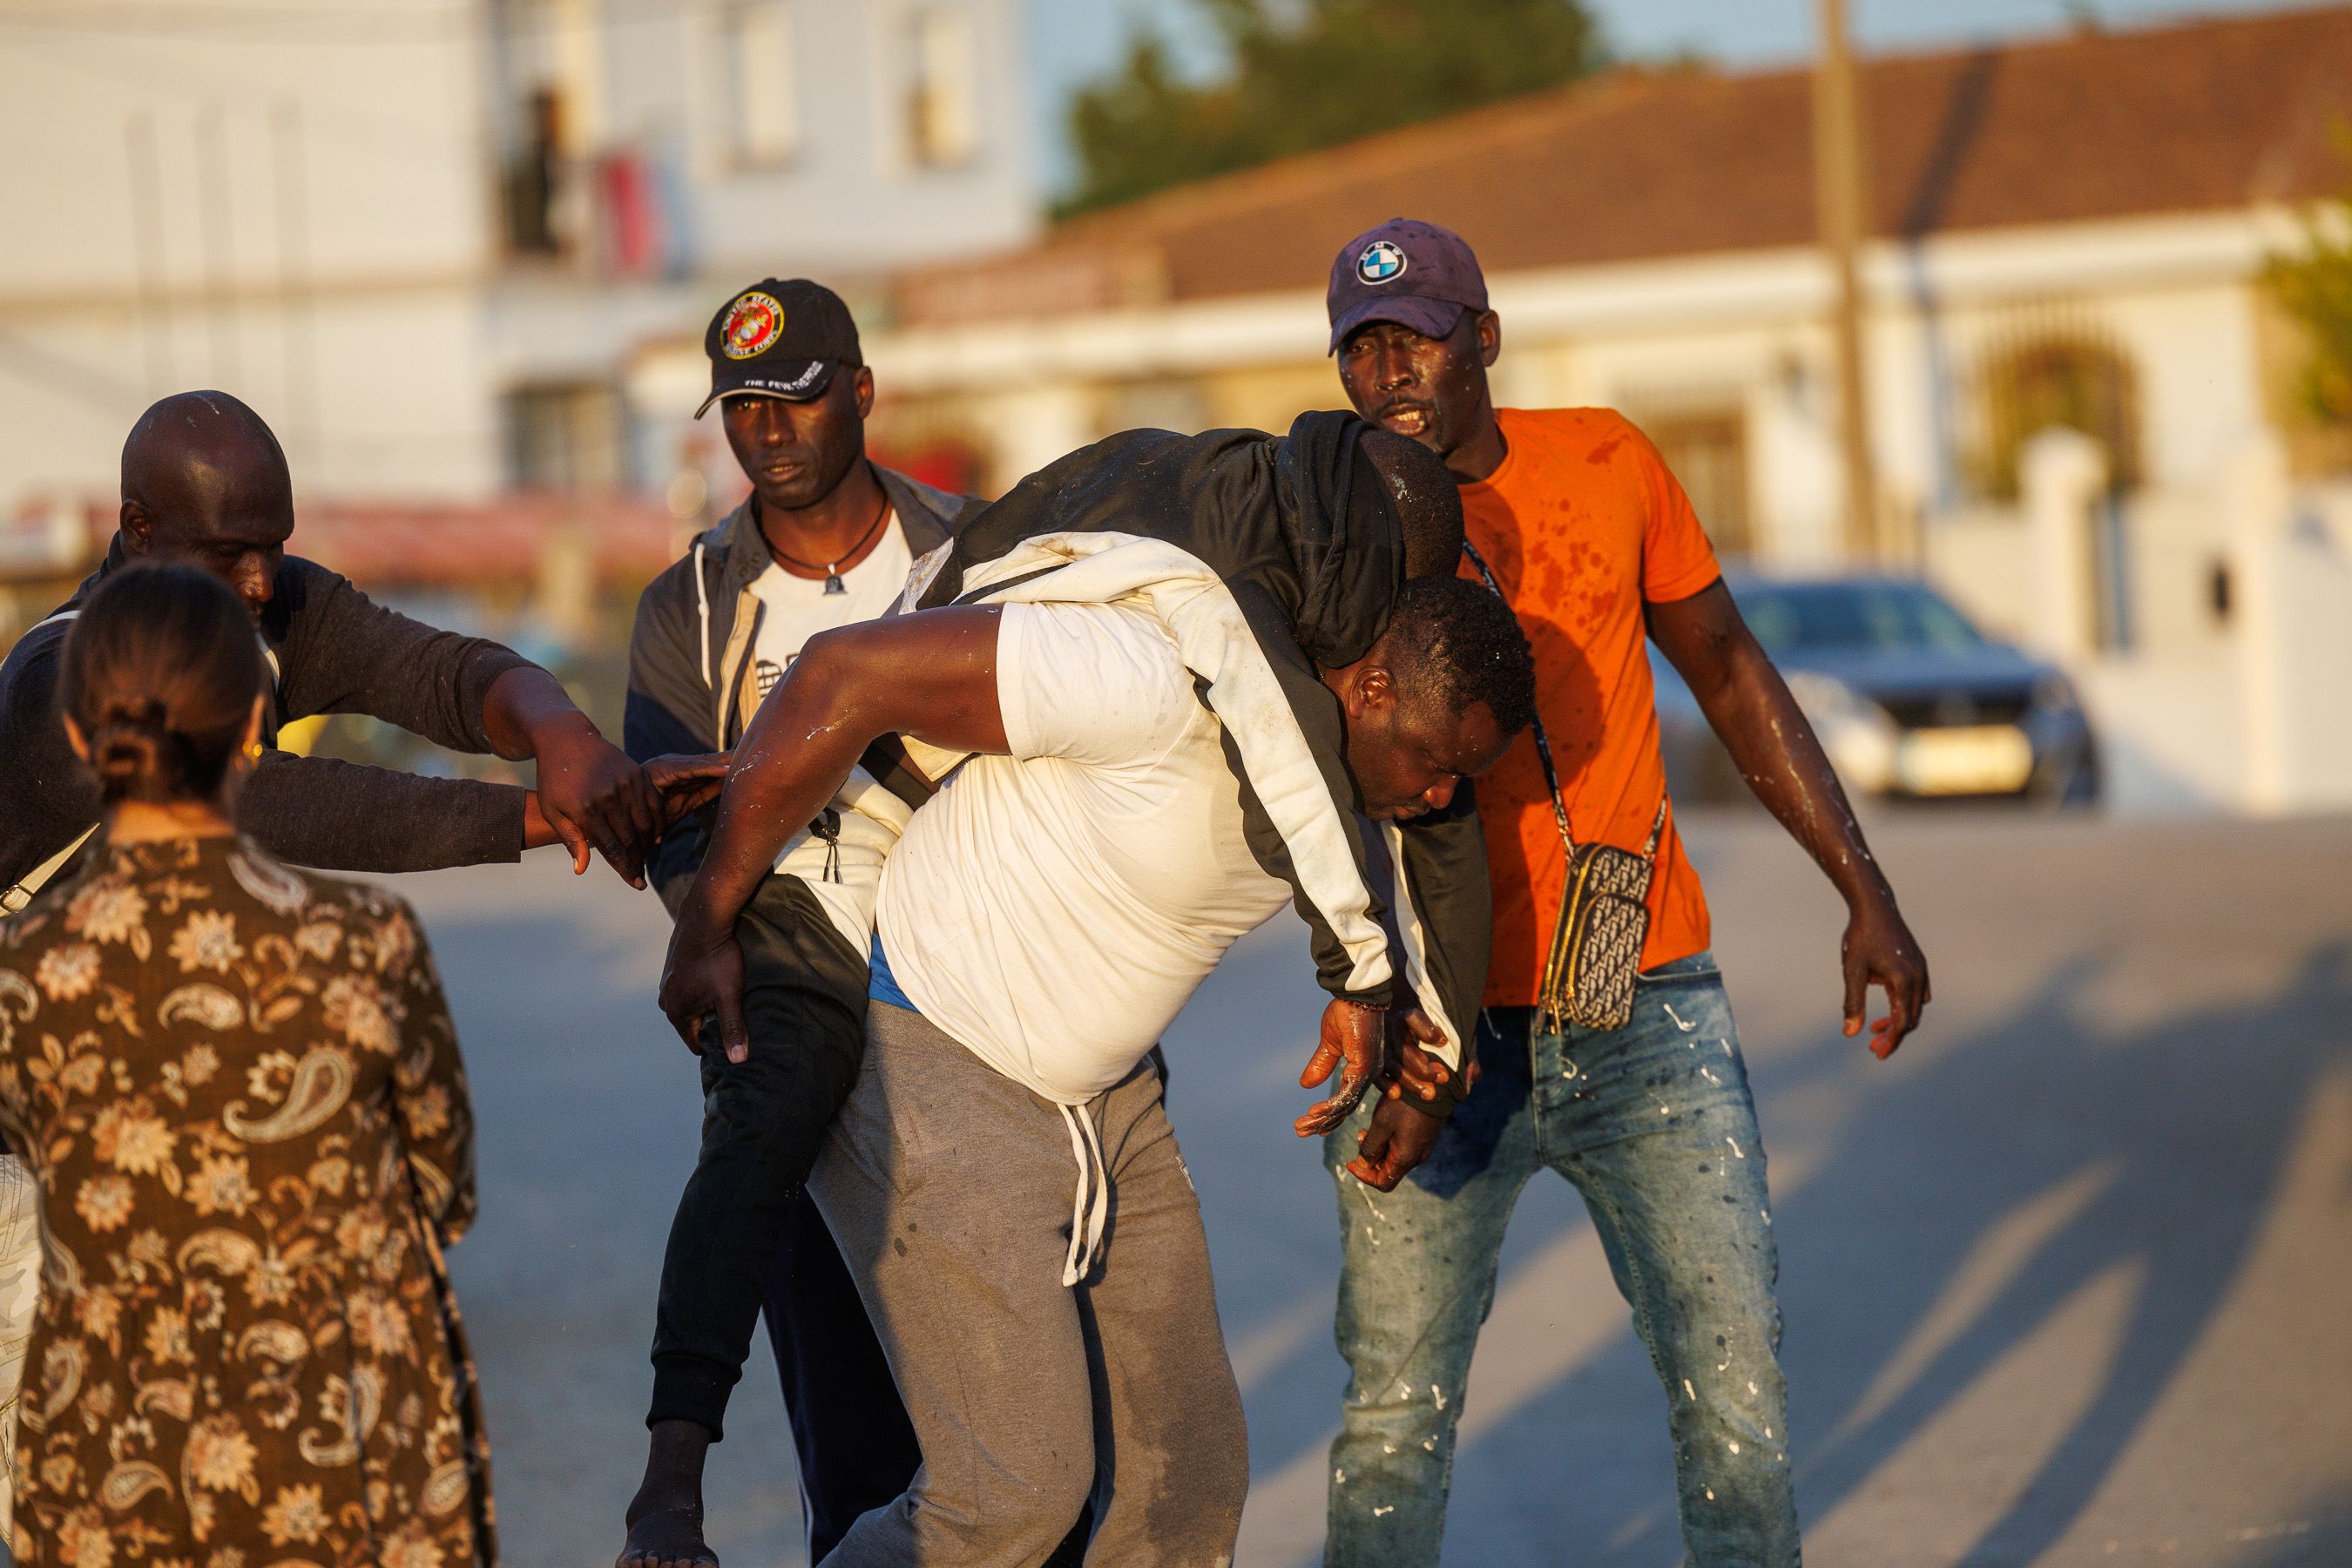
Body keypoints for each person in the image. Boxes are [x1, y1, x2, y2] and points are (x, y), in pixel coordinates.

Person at [659, 565, 1537, 1564]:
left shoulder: (1365, 785)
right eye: (1432, 763)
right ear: (1371, 688)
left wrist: (1420, 1061)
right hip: (935, 1053)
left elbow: (1426, 894)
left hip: (1107, 1105)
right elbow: (839, 671)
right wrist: (708, 920)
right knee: (1012, 1496)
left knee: (1189, 1477)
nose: (1439, 795)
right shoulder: (1151, 677)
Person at [1316, 217, 1934, 1566]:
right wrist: (1352, 984)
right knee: (1390, 1424)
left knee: (1737, 1409)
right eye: (1359, 349)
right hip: (1436, 1035)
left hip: (1643, 1007)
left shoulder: (1607, 460)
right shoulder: (1331, 532)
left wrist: (1863, 889)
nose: (1387, 373)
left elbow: (1727, 666)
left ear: (1480, 337)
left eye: (1411, 337)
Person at [0, 390, 711, 1529]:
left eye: (272, 547)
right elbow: (284, 808)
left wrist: (560, 733)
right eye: (227, 550)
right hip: (36, 1174)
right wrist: (535, 819)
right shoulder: (63, 677)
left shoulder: (280, 605)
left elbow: (438, 672)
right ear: (135, 529)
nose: (256, 579)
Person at [0, 564, 493, 1563]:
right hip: (324, 1452)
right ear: (250, 740)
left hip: (108, 1473)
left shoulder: (26, 975)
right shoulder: (365, 944)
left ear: (81, 740)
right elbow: (444, 1191)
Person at [615, 280, 982, 1568]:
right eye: (745, 408)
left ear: (864, 390)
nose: (771, 430)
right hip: (800, 1008)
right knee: (857, 1451)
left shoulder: (974, 555)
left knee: (1036, 1437)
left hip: (991, 1012)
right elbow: (669, 828)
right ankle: (673, 1487)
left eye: (799, 396)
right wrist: (722, 921)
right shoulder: (691, 608)